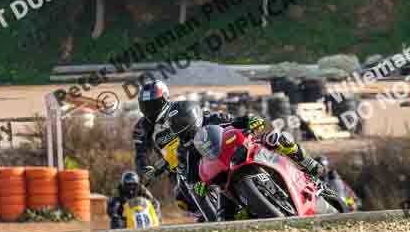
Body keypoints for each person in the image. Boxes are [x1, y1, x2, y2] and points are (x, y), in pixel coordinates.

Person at [133, 79, 325, 220]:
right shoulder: (143, 127)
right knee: (186, 197)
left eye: (154, 104)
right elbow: (140, 153)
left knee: (274, 138)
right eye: (146, 105)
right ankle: (217, 222)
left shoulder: (182, 109)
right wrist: (146, 169)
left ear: (165, 98)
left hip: (216, 145)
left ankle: (307, 162)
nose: (151, 109)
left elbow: (210, 116)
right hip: (185, 165)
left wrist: (241, 120)